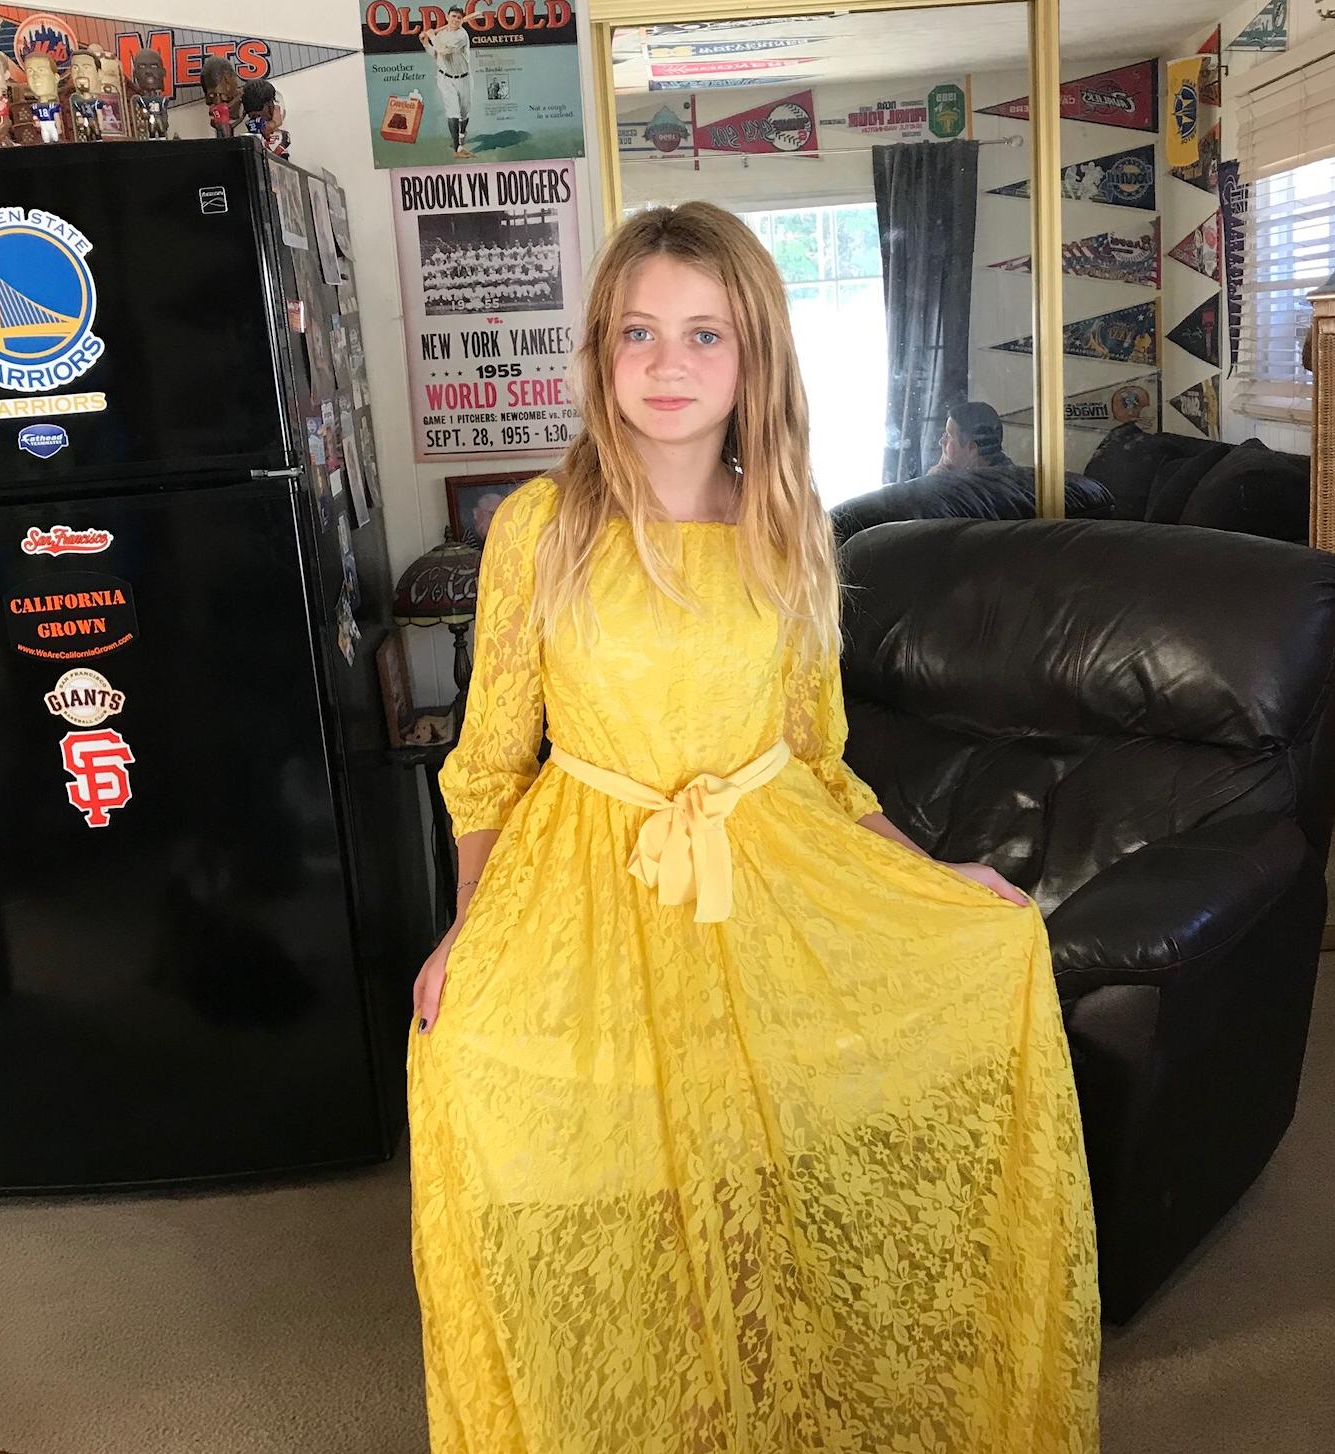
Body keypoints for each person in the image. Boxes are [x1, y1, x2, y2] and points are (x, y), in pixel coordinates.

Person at [407, 201, 1100, 1452]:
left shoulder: (786, 525)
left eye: (704, 334)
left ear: (753, 358)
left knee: (758, 1172)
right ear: (599, 350)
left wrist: (931, 875)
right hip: (588, 886)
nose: (666, 363)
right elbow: (491, 764)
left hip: (766, 873)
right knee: (584, 1152)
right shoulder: (538, 525)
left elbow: (818, 762)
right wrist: (471, 929)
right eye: (637, 331)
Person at [420, 7, 474, 158]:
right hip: (445, 78)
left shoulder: (462, 35)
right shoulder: (441, 35)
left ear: (462, 20)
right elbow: (436, 54)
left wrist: (431, 36)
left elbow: (444, 51)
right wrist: (426, 44)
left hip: (463, 78)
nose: (456, 19)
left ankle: (461, 134)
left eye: (459, 17)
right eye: (453, 16)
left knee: (464, 113)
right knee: (453, 112)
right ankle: (457, 149)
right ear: (447, 17)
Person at [929, 399, 1014, 474]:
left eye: (948, 436)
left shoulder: (967, 486)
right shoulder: (1009, 479)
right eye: (944, 435)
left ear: (972, 448)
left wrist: (937, 481)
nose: (941, 442)